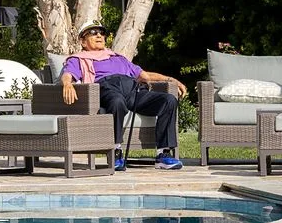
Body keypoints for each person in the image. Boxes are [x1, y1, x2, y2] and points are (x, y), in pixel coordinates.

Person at [60, 21, 187, 172]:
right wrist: (67, 84)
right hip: (107, 88)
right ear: (83, 41)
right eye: (93, 33)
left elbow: (145, 76)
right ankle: (115, 151)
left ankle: (163, 154)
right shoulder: (78, 59)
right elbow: (68, 74)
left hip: (133, 90)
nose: (99, 35)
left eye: (101, 33)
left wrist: (171, 80)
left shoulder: (118, 57)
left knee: (168, 100)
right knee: (117, 102)